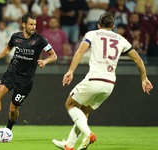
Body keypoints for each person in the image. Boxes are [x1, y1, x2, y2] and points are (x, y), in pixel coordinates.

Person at [52, 12, 153, 150]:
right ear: (113, 26)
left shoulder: (92, 34)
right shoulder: (121, 39)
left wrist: (70, 71)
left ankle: (88, 134)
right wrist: (144, 79)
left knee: (70, 105)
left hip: (94, 79)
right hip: (109, 85)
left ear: (98, 25)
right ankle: (69, 144)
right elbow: (138, 60)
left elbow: (80, 51)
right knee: (83, 112)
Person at [0, 13, 57, 135]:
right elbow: (8, 48)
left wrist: (45, 61)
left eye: (35, 24)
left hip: (26, 80)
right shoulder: (16, 37)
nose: (33, 27)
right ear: (23, 24)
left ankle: (8, 129)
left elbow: (54, 55)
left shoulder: (40, 39)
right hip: (12, 73)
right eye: (31, 24)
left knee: (13, 109)